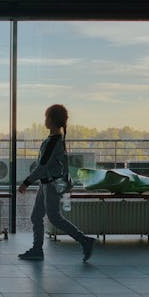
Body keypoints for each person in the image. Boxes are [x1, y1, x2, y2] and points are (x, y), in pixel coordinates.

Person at [18, 104, 95, 262]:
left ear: (52, 120)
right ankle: (37, 249)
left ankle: (84, 240)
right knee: (36, 216)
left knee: (54, 218)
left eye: (46, 117)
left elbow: (42, 167)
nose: (44, 120)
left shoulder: (53, 141)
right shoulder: (54, 139)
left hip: (50, 186)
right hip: (46, 184)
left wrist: (26, 182)